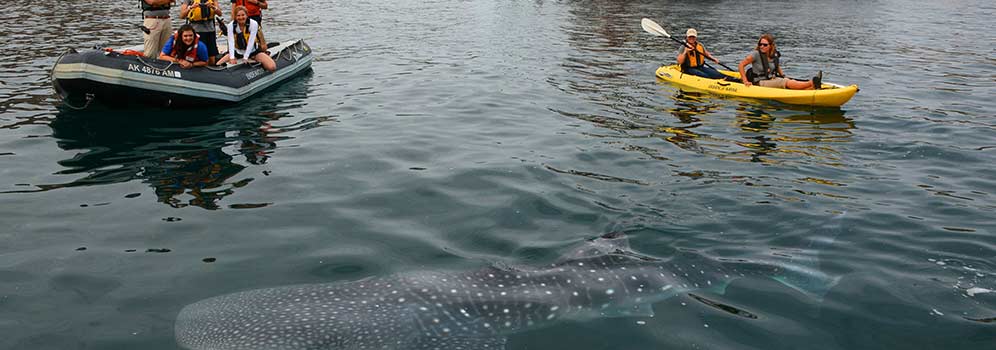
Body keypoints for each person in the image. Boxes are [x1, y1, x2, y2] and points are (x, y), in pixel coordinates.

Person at [738, 34, 822, 90]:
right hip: (759, 82)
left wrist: (783, 75)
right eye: (760, 44)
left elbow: (777, 67)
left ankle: (812, 87)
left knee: (787, 80)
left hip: (771, 79)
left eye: (765, 45)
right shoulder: (755, 54)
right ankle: (811, 82)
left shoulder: (773, 55)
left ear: (770, 46)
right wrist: (745, 81)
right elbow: (741, 65)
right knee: (784, 82)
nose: (762, 46)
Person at [217, 6, 276, 72]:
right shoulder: (231, 25)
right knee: (218, 65)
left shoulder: (253, 24)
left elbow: (251, 41)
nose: (241, 17)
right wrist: (232, 58)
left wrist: (246, 57)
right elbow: (231, 42)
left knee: (272, 67)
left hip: (253, 52)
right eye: (238, 15)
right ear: (235, 17)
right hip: (237, 52)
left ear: (247, 15)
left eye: (243, 15)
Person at [181, 0, 223, 65]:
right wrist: (191, 7)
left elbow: (220, 14)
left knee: (212, 58)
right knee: (199, 56)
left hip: (210, 31)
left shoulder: (213, 1)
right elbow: (182, 15)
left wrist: (213, 7)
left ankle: (211, 71)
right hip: (196, 32)